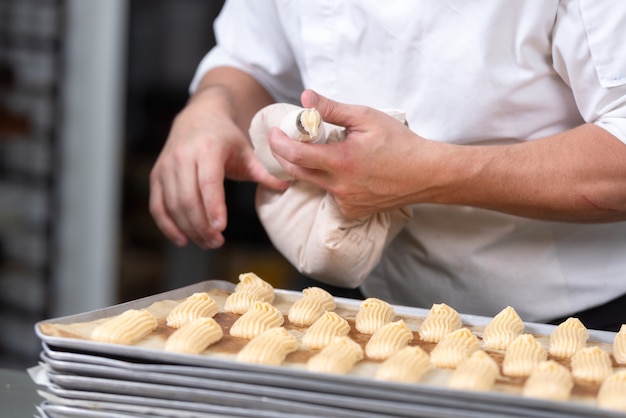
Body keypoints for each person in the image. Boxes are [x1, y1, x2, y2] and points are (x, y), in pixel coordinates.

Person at [149, 1, 626, 331]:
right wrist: (212, 105)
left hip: (566, 319)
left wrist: (429, 175)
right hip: (350, 304)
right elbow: (250, 60)